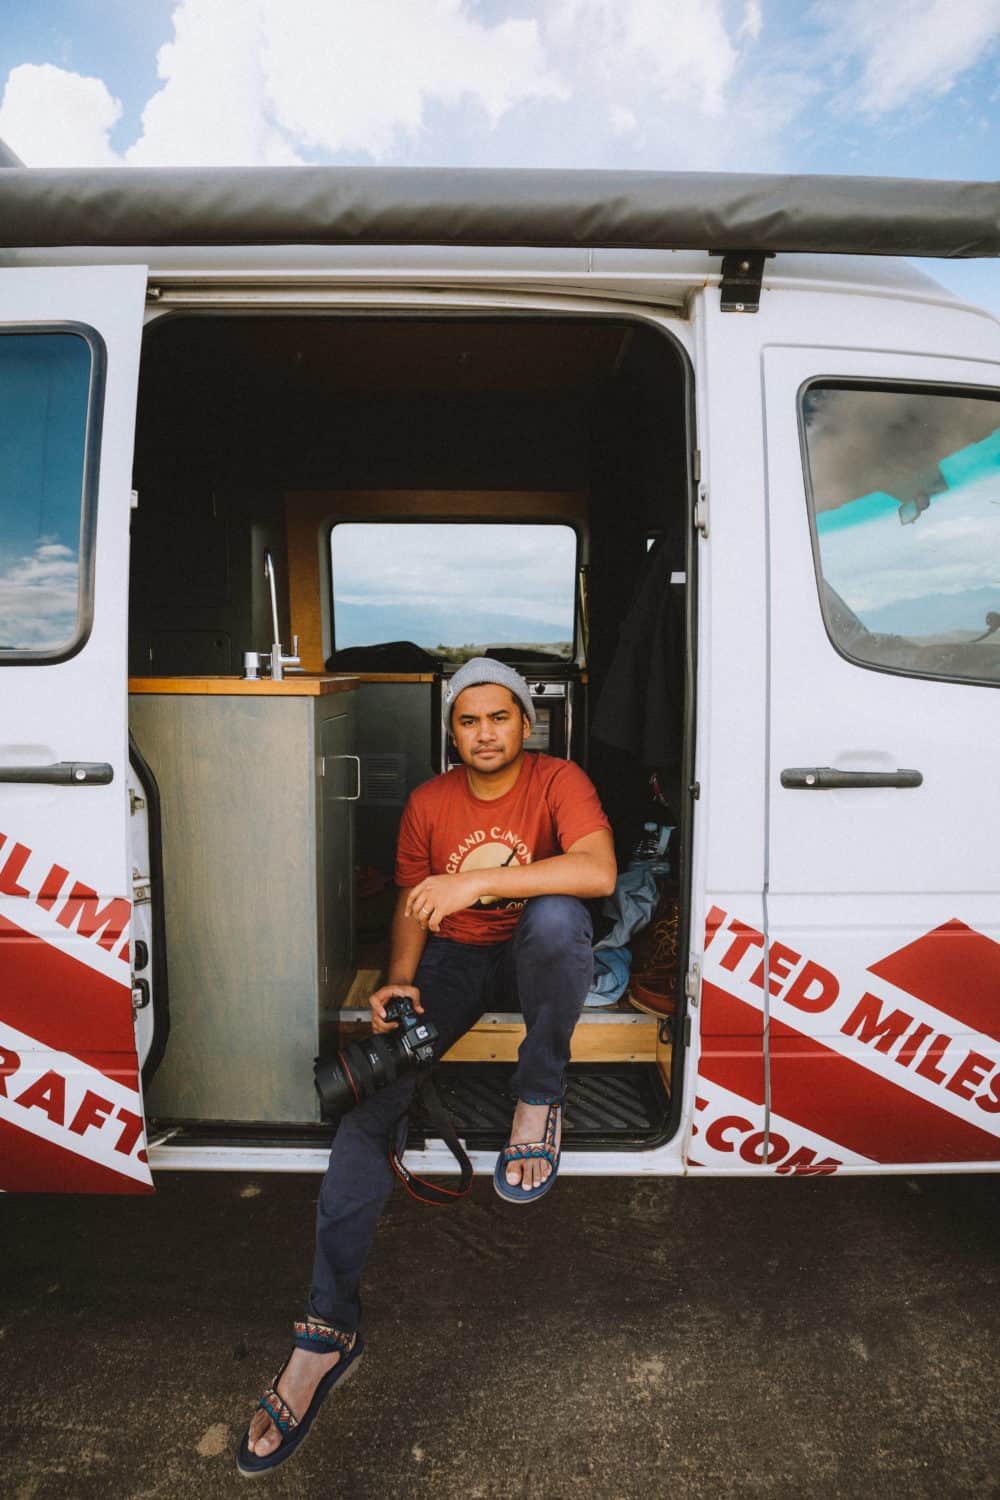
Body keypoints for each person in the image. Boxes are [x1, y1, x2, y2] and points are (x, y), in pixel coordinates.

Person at [238, 658, 616, 1475]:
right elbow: (415, 906)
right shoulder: (428, 802)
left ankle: (538, 1098)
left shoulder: (560, 779)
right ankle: (326, 1333)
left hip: (536, 957)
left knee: (557, 920)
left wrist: (474, 880)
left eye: (500, 718)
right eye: (468, 721)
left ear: (526, 722)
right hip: (454, 965)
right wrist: (396, 981)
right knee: (369, 1105)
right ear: (451, 730)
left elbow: (597, 871)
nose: (485, 734)